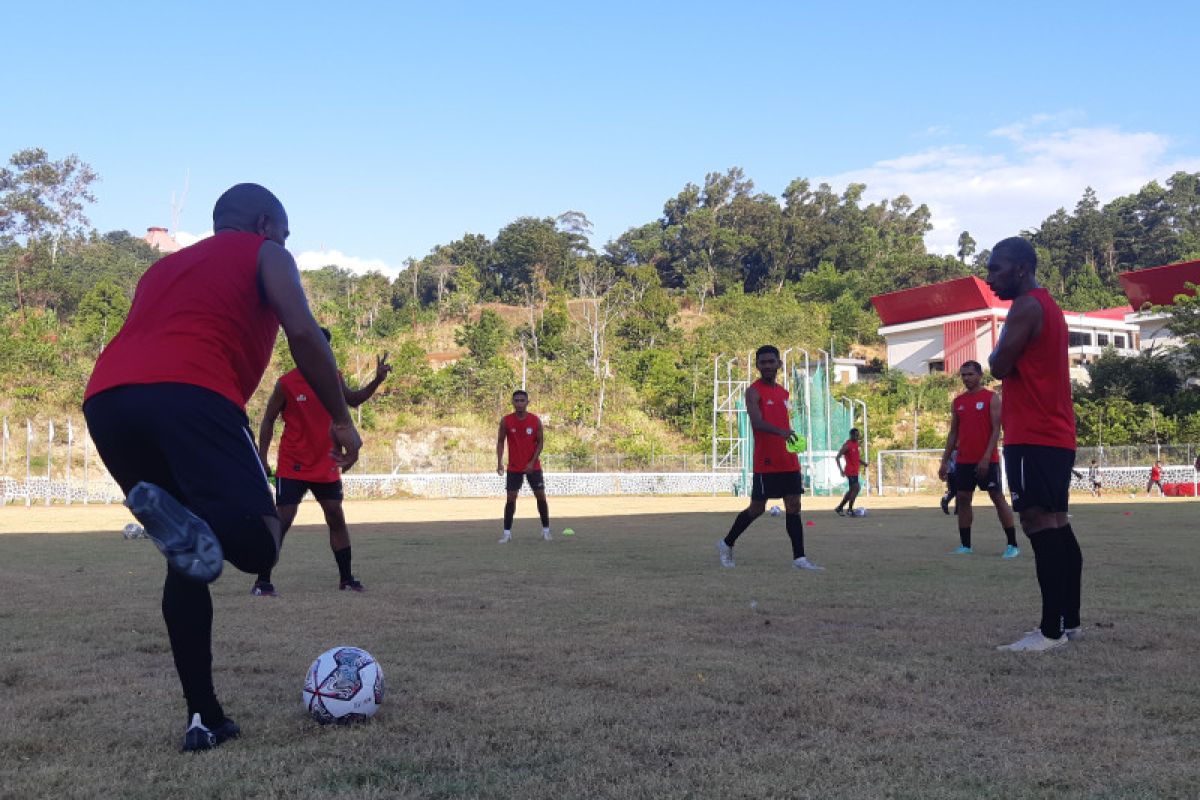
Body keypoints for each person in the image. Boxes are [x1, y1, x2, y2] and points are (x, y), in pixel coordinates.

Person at [82, 184, 361, 749]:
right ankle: (189, 522)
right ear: (264, 222)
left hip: (108, 401)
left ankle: (203, 717)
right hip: (193, 393)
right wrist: (341, 418)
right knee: (259, 547)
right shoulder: (265, 252)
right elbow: (303, 331)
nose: (287, 241)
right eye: (284, 230)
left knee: (186, 558)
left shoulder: (158, 272)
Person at [986, 236, 1082, 653]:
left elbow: (998, 363)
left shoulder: (1025, 307)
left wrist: (997, 356)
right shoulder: (1049, 305)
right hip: (1055, 434)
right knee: (1057, 523)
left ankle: (1049, 631)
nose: (991, 279)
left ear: (1021, 268)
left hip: (1034, 434)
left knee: (1038, 524)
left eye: (996, 269)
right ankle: (1070, 622)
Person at [253, 329, 391, 596]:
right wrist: (262, 455)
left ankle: (347, 579)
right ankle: (262, 581)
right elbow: (268, 419)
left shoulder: (333, 378)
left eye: (323, 347)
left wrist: (376, 380)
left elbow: (352, 400)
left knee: (335, 516)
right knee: (283, 519)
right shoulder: (286, 383)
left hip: (326, 462)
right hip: (293, 463)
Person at [717, 345, 823, 571]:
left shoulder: (784, 394)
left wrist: (794, 440)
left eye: (770, 362)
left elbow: (787, 424)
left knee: (794, 505)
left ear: (778, 364)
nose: (766, 366)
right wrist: (781, 432)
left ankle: (799, 559)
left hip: (788, 460)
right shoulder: (753, 392)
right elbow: (756, 422)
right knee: (757, 509)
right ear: (757, 366)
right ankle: (726, 544)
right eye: (762, 362)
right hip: (766, 462)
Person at [937, 361, 1020, 558]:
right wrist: (945, 460)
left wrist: (985, 458)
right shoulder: (958, 402)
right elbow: (953, 433)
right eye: (963, 375)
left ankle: (1012, 545)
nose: (966, 378)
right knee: (963, 499)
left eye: (970, 374)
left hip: (987, 460)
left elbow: (996, 430)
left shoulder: (992, 398)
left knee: (997, 498)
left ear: (980, 375)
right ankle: (965, 546)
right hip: (963, 461)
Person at [496, 390, 551, 542]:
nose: (519, 403)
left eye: (522, 400)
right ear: (512, 402)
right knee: (511, 499)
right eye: (517, 400)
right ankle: (507, 533)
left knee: (540, 496)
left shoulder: (535, 420)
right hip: (514, 467)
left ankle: (546, 530)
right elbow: (500, 441)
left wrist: (532, 462)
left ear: (527, 402)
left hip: (533, 467)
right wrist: (499, 461)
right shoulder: (506, 421)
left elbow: (540, 442)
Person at [834, 429, 863, 516]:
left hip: (855, 471)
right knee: (856, 488)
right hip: (850, 471)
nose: (857, 437)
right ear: (851, 435)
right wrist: (841, 470)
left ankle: (840, 508)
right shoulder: (847, 445)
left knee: (852, 490)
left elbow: (856, 458)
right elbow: (837, 457)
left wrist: (863, 463)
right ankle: (850, 510)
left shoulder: (856, 444)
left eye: (858, 435)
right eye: (856, 435)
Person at [940, 449, 958, 515]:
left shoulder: (949, 452)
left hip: (951, 472)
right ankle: (945, 501)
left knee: (954, 491)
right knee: (958, 491)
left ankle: (946, 501)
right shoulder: (955, 451)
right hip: (955, 472)